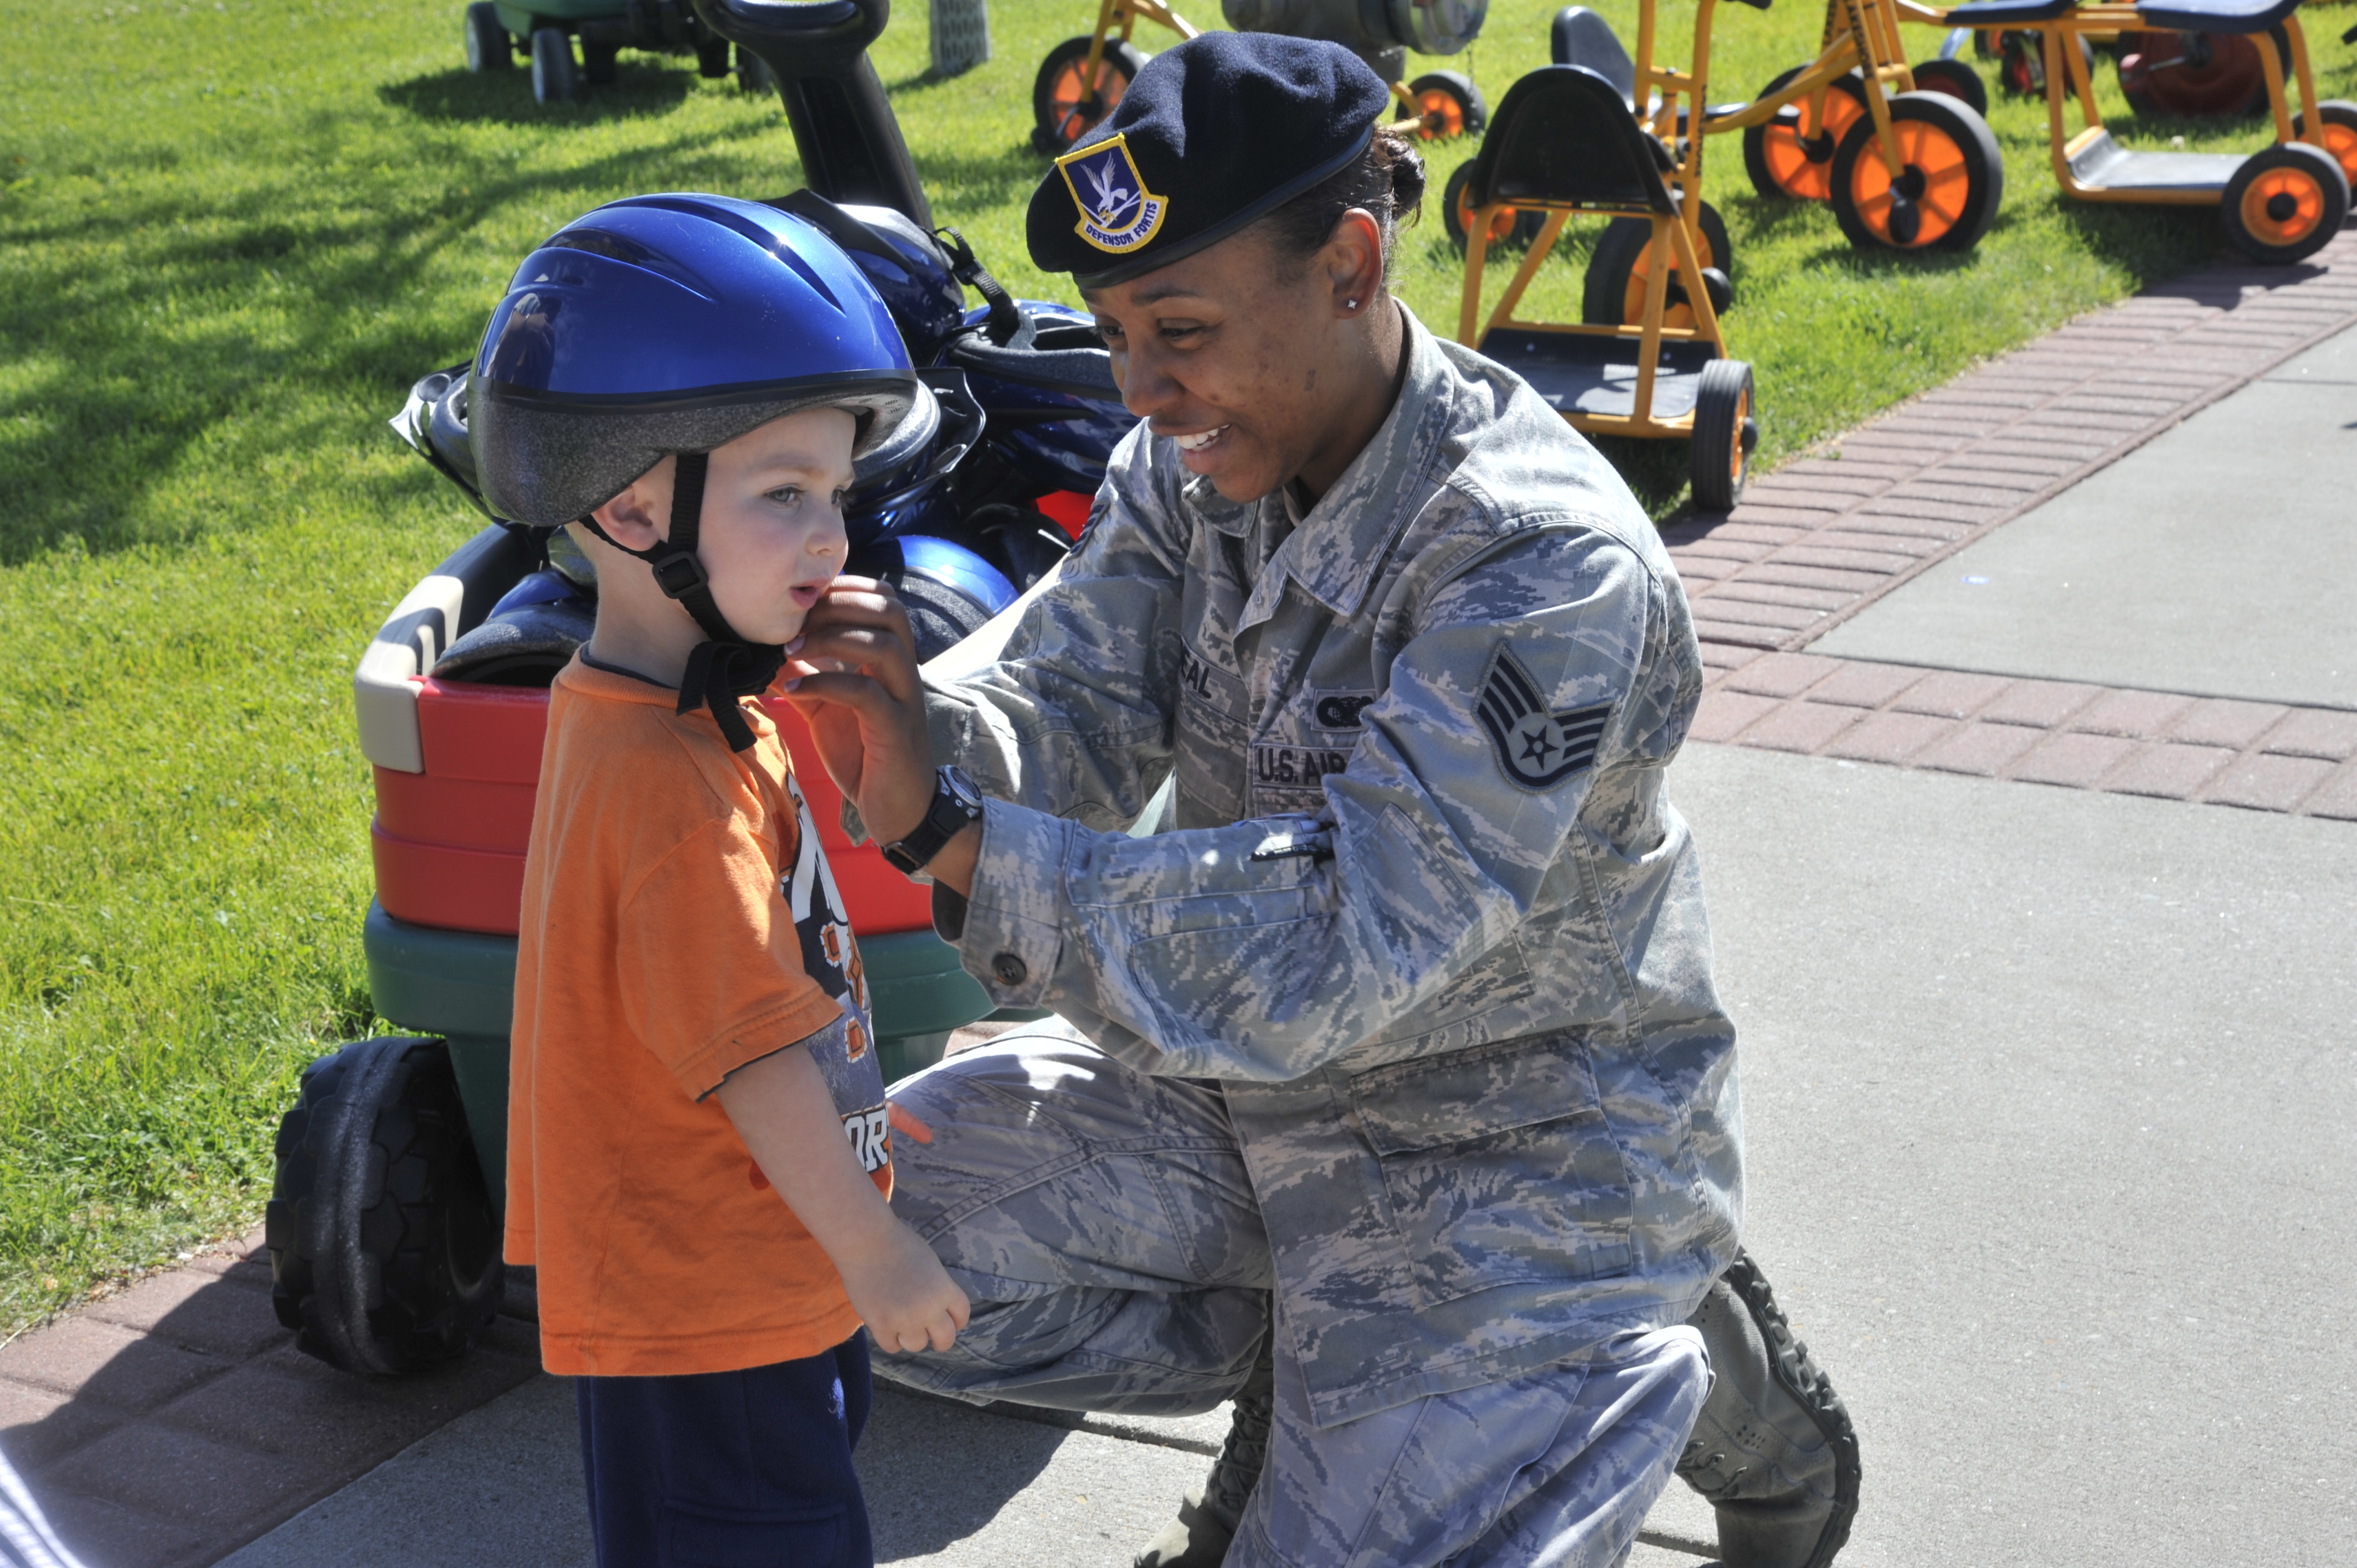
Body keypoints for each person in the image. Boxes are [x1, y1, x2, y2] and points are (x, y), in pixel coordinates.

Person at [788, 34, 1857, 1568]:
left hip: (1512, 1146)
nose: (1139, 388)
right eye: (1115, 334)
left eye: (1180, 330)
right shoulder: (1192, 463)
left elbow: (1353, 937)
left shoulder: (1538, 560)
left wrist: (953, 836)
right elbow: (1067, 700)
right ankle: (1316, 1373)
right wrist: (899, 727)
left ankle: (1685, 1354)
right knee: (824, 1233)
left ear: (1350, 265)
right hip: (1235, 1091)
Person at [478, 194, 970, 1567]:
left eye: (837, 497)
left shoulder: (675, 713)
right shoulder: (670, 785)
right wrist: (877, 1252)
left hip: (737, 1270)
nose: (831, 539)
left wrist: (850, 1106)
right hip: (711, 1306)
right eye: (784, 495)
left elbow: (731, 1000)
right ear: (632, 506)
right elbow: (747, 1058)